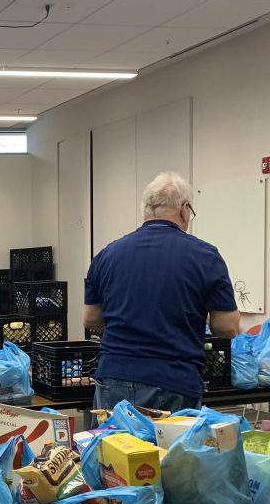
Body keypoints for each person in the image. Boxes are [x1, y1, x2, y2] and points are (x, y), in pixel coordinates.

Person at [84, 171, 240, 413]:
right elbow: (227, 327)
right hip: (172, 382)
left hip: (113, 377)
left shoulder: (107, 255)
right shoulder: (205, 256)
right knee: (164, 452)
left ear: (145, 209)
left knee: (113, 449)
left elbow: (91, 319)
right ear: (185, 209)